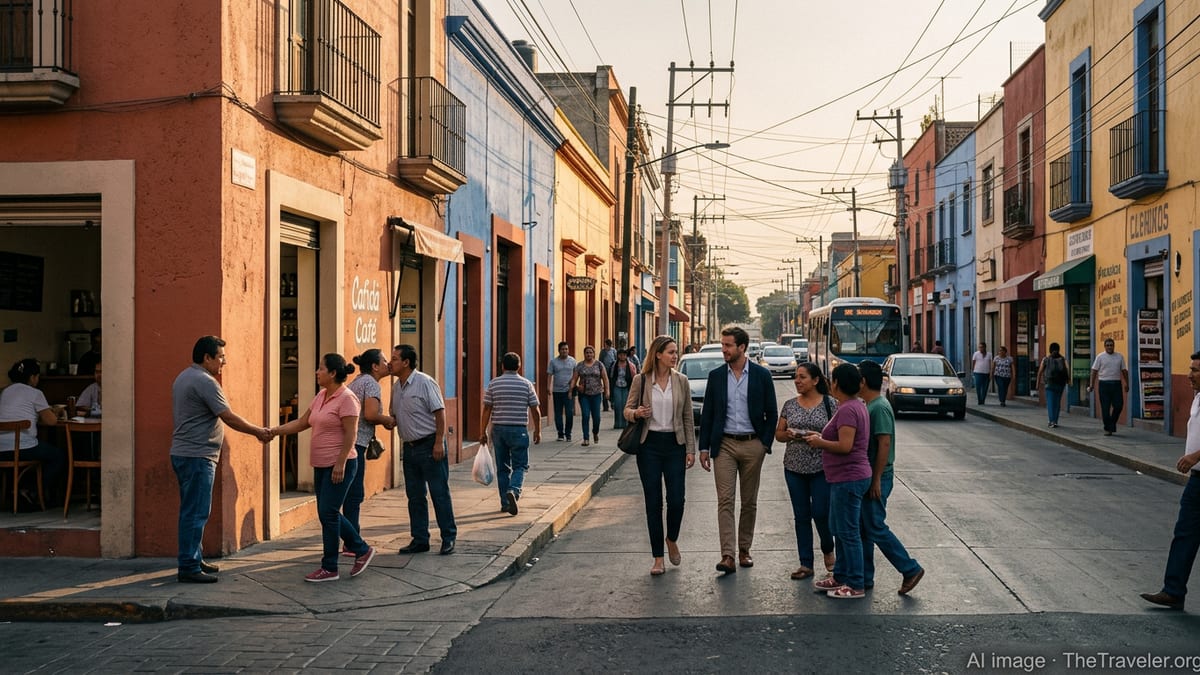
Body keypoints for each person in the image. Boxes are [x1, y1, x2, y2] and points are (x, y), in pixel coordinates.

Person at [169, 336, 271, 583]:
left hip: (185, 453)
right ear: (207, 357)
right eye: (221, 357)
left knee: (191, 510)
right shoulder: (206, 382)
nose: (224, 361)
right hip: (198, 455)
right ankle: (189, 567)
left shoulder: (184, 376)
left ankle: (194, 558)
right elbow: (229, 417)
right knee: (196, 513)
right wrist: (259, 431)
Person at [272, 353, 374, 582]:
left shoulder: (347, 398)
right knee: (327, 514)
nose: (317, 372)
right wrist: (274, 432)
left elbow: (351, 433)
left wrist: (340, 463)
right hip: (320, 464)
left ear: (333, 373)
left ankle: (342, 559)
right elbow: (302, 422)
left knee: (328, 513)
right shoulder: (321, 396)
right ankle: (348, 557)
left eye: (320, 369)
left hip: (341, 464)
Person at [698, 326, 778, 575]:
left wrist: (764, 444)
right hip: (724, 445)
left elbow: (772, 413)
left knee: (749, 501)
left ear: (742, 347)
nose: (724, 350)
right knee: (725, 500)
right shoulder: (716, 376)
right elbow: (708, 412)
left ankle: (744, 549)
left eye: (728, 345)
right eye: (722, 345)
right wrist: (704, 447)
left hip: (753, 444)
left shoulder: (762, 375)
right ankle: (728, 555)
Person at [625, 335, 697, 576]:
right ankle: (658, 558)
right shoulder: (641, 380)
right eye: (670, 352)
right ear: (657, 354)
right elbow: (626, 410)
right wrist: (636, 413)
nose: (675, 356)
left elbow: (688, 416)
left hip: (675, 445)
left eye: (676, 352)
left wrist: (690, 449)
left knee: (677, 499)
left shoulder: (682, 381)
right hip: (649, 446)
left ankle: (671, 538)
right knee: (653, 503)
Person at [803, 363, 872, 599]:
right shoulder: (852, 406)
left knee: (848, 532)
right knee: (839, 530)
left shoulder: (847, 410)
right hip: (843, 478)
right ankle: (841, 575)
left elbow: (845, 446)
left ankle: (855, 583)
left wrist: (820, 442)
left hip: (849, 478)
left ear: (837, 384)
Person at [857, 360, 924, 595]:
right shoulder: (869, 405)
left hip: (880, 476)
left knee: (874, 526)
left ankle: (910, 568)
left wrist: (875, 479)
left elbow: (884, 443)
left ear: (863, 381)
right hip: (871, 475)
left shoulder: (879, 407)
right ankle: (864, 577)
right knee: (864, 527)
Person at [1140, 351, 1200, 610]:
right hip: (1197, 482)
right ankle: (1173, 590)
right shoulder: (1197, 398)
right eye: (1190, 369)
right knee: (1184, 534)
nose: (1189, 375)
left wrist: (1194, 456)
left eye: (1195, 370)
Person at [387, 344, 457, 555]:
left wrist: (438, 442)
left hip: (429, 445)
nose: (391, 362)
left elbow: (440, 412)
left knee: (439, 493)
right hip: (409, 448)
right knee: (415, 496)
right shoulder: (396, 387)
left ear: (406, 362)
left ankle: (448, 537)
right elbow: (395, 415)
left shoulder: (425, 382)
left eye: (395, 359)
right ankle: (420, 539)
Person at [774, 362, 837, 581]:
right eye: (796, 377)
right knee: (801, 515)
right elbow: (778, 434)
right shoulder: (790, 405)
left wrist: (819, 439)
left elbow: (840, 436)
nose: (797, 381)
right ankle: (805, 563)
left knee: (821, 512)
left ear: (816, 380)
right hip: (794, 467)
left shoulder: (831, 404)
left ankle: (828, 548)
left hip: (822, 467)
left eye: (802, 377)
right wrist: (789, 435)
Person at [480, 352, 541, 516]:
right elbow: (535, 409)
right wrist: (538, 430)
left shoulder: (494, 384)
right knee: (520, 466)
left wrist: (483, 431)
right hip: (519, 429)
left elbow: (487, 408)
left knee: (502, 468)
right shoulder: (526, 384)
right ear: (519, 366)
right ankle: (513, 490)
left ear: (502, 366)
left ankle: (505, 503)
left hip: (498, 430)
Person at [0, 358, 67, 509]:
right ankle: (31, 491)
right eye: (37, 377)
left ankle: (18, 491)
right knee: (59, 456)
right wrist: (55, 412)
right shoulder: (35, 393)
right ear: (32, 377)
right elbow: (51, 422)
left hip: (1, 448)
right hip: (23, 447)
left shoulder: (5, 391)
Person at [344, 348, 391, 538]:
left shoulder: (357, 381)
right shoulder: (371, 384)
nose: (388, 364)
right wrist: (386, 420)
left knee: (350, 493)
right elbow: (370, 415)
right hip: (357, 443)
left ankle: (351, 537)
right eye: (385, 361)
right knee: (354, 494)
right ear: (375, 366)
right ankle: (352, 539)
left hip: (350, 442)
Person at [569, 345, 609, 446]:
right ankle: (586, 438)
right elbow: (574, 379)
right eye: (587, 352)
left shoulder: (599, 364)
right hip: (584, 395)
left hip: (596, 395)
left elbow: (605, 378)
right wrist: (573, 389)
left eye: (591, 352)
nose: (589, 354)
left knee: (597, 418)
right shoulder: (580, 365)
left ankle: (595, 432)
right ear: (584, 354)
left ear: (594, 353)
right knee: (585, 415)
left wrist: (607, 391)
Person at [1088, 338, 1129, 436]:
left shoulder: (1119, 357)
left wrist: (1127, 383)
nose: (1110, 347)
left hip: (1116, 384)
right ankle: (1108, 428)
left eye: (1111, 345)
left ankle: (1112, 423)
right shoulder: (1100, 357)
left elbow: (1124, 371)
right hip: (1104, 384)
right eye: (1108, 345)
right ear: (1105, 346)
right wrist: (1092, 384)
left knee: (1119, 406)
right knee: (1105, 409)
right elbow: (1094, 371)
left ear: (1114, 346)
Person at [1036, 343, 1070, 428]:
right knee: (1057, 402)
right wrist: (1069, 381)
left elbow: (1040, 372)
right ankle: (1056, 420)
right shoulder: (1063, 359)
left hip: (1049, 384)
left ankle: (1052, 421)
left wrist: (1037, 384)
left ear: (1050, 350)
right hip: (1060, 384)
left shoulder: (1045, 359)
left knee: (1050, 403)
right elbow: (1067, 370)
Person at [548, 342, 577, 442]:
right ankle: (560, 433)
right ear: (559, 350)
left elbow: (575, 374)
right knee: (558, 413)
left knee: (569, 413)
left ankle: (568, 434)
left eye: (566, 349)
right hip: (557, 391)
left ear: (568, 350)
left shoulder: (572, 361)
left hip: (568, 391)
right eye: (562, 349)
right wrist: (549, 387)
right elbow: (550, 375)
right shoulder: (553, 362)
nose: (564, 351)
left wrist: (572, 385)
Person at [609, 349, 637, 429]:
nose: (622, 356)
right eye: (620, 355)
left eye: (624, 355)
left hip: (626, 386)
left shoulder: (631, 365)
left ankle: (625, 423)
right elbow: (611, 376)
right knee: (617, 405)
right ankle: (617, 423)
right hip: (617, 386)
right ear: (618, 355)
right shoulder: (614, 365)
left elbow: (634, 376)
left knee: (625, 405)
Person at [599, 339, 617, 412]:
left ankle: (612, 403)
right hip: (604, 372)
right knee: (605, 388)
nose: (606, 347)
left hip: (612, 372)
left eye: (608, 346)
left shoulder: (613, 351)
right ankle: (605, 406)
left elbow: (616, 360)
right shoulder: (603, 352)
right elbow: (600, 361)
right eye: (606, 345)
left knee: (612, 388)